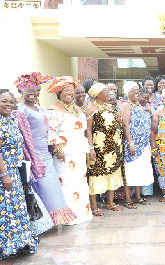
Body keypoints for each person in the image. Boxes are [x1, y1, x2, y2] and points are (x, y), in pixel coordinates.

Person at [15, 75, 77, 226]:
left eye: (35, 90)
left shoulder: (38, 107)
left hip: (46, 154)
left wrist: (54, 147)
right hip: (33, 155)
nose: (33, 93)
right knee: (42, 188)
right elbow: (22, 135)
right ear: (20, 91)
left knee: (53, 186)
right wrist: (31, 156)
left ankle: (53, 220)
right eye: (28, 90)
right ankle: (41, 223)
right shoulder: (21, 109)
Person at [47, 76, 93, 225]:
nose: (69, 93)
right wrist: (57, 149)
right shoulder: (54, 109)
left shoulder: (78, 108)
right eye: (65, 91)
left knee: (80, 183)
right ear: (58, 93)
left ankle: (82, 214)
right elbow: (51, 133)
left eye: (71, 90)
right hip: (64, 154)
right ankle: (69, 218)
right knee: (67, 184)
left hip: (79, 152)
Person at [0, 91, 39, 260]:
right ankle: (7, 246)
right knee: (6, 212)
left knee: (16, 211)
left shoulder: (12, 120)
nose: (8, 104)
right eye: (4, 101)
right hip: (4, 174)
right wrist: (5, 175)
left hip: (14, 173)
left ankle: (17, 243)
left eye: (11, 101)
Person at [86, 83, 125, 215]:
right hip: (99, 148)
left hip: (113, 148)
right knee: (96, 174)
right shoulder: (91, 109)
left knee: (112, 173)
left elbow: (118, 123)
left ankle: (110, 202)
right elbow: (89, 130)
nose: (109, 93)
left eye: (109, 91)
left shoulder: (110, 107)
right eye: (106, 91)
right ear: (98, 94)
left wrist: (119, 120)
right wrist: (91, 148)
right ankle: (94, 206)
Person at [121, 82, 153, 207]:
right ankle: (128, 199)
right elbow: (125, 125)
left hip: (143, 145)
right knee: (130, 171)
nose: (136, 93)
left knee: (140, 170)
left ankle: (138, 197)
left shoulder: (138, 106)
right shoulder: (126, 106)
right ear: (127, 92)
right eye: (133, 90)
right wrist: (130, 144)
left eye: (137, 90)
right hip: (132, 145)